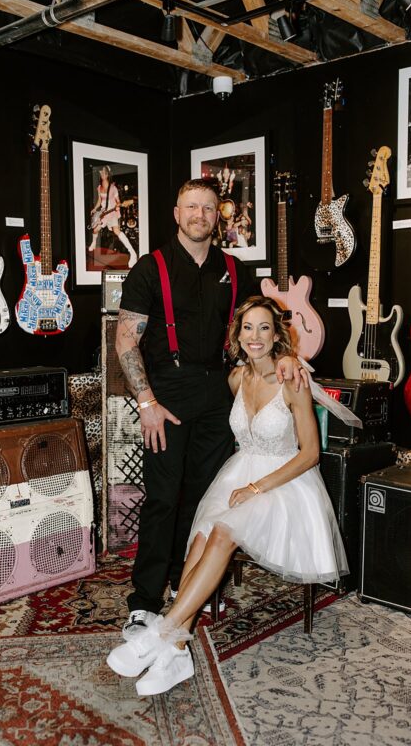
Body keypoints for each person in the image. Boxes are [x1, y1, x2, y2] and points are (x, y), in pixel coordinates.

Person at [106, 295, 348, 695]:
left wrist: (256, 488)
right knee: (200, 536)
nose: (255, 336)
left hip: (284, 483)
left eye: (264, 328)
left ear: (277, 336)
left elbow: (310, 454)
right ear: (237, 334)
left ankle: (162, 632)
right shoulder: (236, 379)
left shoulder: (292, 381)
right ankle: (178, 651)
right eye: (247, 327)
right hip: (242, 474)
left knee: (221, 533)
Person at [115, 178, 305, 644]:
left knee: (204, 498)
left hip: (220, 393)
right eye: (191, 207)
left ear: (216, 217)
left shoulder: (234, 270)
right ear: (176, 214)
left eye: (207, 207)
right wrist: (147, 404)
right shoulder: (149, 268)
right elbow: (125, 342)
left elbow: (259, 326)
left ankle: (188, 584)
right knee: (162, 497)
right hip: (167, 396)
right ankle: (143, 601)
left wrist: (283, 355)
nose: (200, 214)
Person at [88, 165, 138, 267]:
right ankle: (93, 243)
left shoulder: (113, 188)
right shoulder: (99, 188)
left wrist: (118, 205)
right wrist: (94, 208)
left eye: (104, 173)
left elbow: (118, 201)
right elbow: (99, 200)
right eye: (101, 172)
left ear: (108, 174)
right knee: (95, 229)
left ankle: (132, 253)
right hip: (104, 212)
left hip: (112, 213)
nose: (102, 174)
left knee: (116, 231)